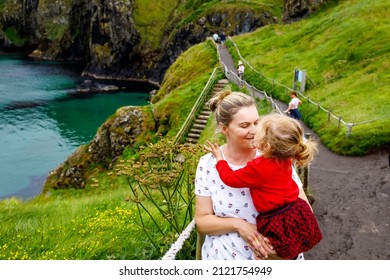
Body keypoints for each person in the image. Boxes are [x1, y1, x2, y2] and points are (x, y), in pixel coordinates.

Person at [195, 89, 311, 260]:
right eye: (245, 125)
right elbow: (202, 222)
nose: (254, 131)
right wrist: (239, 225)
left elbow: (304, 209)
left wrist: (280, 251)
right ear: (224, 129)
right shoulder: (207, 164)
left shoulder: (274, 155)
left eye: (257, 123)